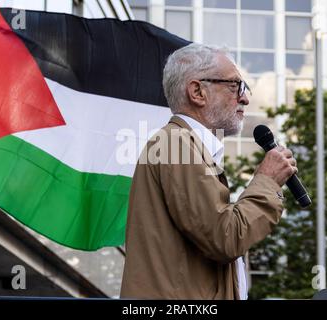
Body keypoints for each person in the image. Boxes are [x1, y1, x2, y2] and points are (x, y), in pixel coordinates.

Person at [120, 43, 297, 299]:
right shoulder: (176, 144)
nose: (245, 98)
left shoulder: (181, 145)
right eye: (235, 86)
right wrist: (267, 182)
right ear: (197, 92)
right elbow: (225, 237)